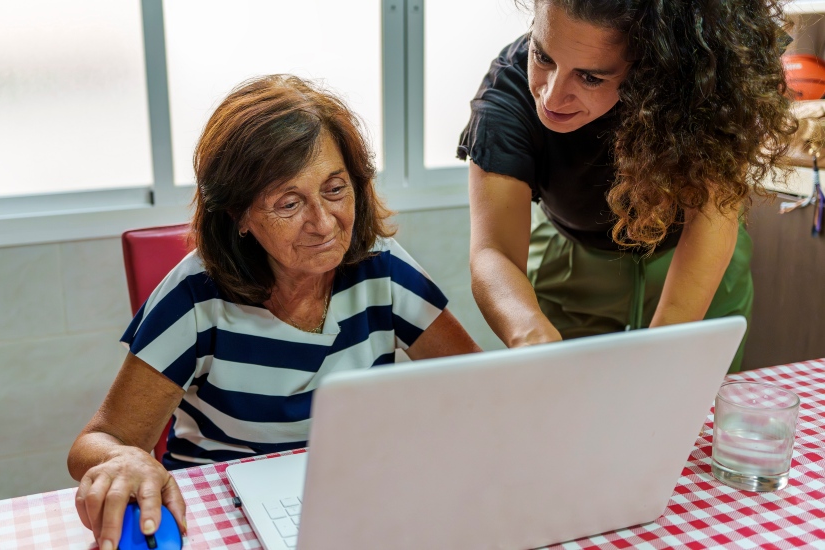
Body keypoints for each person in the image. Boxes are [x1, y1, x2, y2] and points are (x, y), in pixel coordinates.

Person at [68, 74, 481, 550]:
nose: (324, 224)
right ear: (239, 215)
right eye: (289, 203)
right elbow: (98, 441)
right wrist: (125, 460)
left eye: (334, 189)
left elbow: (476, 384)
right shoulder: (196, 296)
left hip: (348, 497)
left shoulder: (380, 268)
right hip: (221, 511)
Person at [459, 0, 796, 372]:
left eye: (590, 77)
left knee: (687, 409)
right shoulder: (507, 94)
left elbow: (710, 219)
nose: (551, 96)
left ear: (650, 67)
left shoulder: (703, 85)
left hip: (696, 257)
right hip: (572, 259)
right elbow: (495, 252)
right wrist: (529, 334)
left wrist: (664, 350)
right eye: (543, 56)